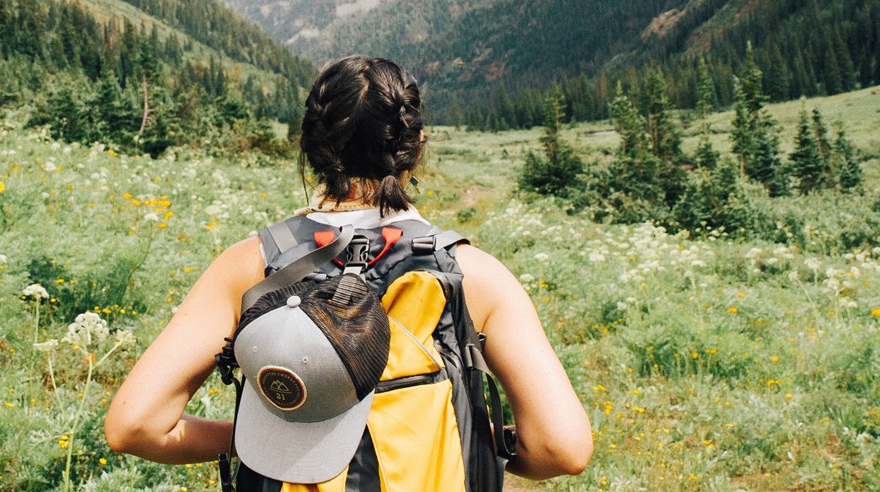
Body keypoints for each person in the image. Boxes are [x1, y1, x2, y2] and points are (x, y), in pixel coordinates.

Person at [105, 56, 592, 486]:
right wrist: (477, 442)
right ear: (416, 147)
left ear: (312, 149)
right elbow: (562, 448)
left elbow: (135, 426)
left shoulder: (252, 264)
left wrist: (256, 441)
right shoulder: (473, 275)